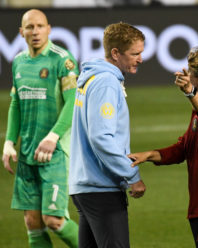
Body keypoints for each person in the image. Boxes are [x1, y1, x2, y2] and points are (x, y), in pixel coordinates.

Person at [128, 47, 198, 248]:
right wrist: (149, 155)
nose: (187, 74)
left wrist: (190, 92)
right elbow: (183, 149)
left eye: (191, 71)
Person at [2, 9, 79, 248]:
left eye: (40, 26)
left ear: (49, 29)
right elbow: (16, 102)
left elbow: (72, 104)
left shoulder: (62, 59)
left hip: (55, 153)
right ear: (21, 32)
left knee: (54, 220)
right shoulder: (18, 62)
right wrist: (9, 142)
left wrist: (53, 137)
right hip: (27, 154)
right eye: (30, 27)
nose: (35, 32)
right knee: (33, 223)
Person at [69, 22, 146, 248]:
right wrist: (131, 175)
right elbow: (101, 137)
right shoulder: (106, 82)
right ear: (115, 53)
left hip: (85, 186)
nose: (140, 59)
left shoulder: (92, 77)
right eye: (135, 53)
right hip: (101, 188)